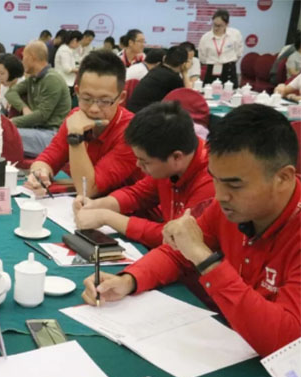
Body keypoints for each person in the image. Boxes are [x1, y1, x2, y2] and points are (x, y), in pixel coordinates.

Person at [81, 105, 301, 357]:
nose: (220, 195)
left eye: (234, 185)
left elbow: (287, 342)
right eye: (215, 179)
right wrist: (128, 280)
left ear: (283, 178)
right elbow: (177, 253)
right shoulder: (227, 208)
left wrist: (207, 260)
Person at [73, 101, 214, 248]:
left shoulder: (211, 181)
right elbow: (139, 194)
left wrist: (107, 217)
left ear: (176, 157)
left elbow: (177, 238)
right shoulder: (169, 158)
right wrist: (97, 205)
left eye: (144, 161)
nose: (138, 165)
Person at [25, 50, 138, 198]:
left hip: (130, 209)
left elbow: (88, 189)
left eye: (104, 101)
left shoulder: (133, 131)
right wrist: (40, 173)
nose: (94, 109)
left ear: (121, 97)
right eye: (86, 98)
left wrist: (75, 138)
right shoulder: (76, 116)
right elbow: (49, 157)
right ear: (77, 91)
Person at [6, 40, 72, 158]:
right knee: (2, 132)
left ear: (32, 58)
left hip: (51, 135)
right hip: (36, 130)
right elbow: (10, 93)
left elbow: (42, 115)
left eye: (24, 57)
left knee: (3, 133)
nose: (22, 61)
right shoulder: (33, 78)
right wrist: (24, 108)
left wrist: (10, 123)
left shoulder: (52, 79)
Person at [128, 45, 192, 113]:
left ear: (164, 58)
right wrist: (185, 72)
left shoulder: (156, 70)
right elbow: (189, 97)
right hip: (143, 115)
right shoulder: (174, 79)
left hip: (134, 112)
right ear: (183, 64)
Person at [198, 9, 242, 87]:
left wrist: (227, 61)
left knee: (230, 92)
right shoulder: (205, 37)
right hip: (212, 69)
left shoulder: (235, 34)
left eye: (219, 25)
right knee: (209, 92)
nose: (216, 28)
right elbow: (202, 57)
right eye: (214, 24)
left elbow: (238, 53)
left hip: (229, 69)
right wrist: (214, 61)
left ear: (227, 24)